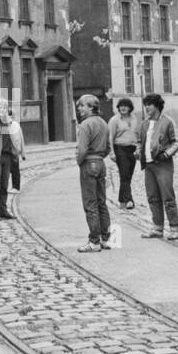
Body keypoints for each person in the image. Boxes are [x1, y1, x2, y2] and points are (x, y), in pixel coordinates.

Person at [134, 94, 178, 239]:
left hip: (163, 165)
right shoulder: (144, 124)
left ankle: (174, 228)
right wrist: (138, 150)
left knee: (167, 197)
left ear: (157, 106)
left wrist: (166, 154)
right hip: (148, 165)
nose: (147, 107)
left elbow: (177, 142)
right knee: (152, 197)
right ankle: (157, 227)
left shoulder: (168, 122)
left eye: (150, 104)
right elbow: (139, 142)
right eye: (145, 105)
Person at [74, 95, 112, 252]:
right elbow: (108, 147)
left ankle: (94, 241)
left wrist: (79, 160)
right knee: (102, 202)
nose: (79, 109)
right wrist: (99, 157)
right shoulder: (103, 122)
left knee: (90, 203)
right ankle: (105, 238)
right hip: (100, 163)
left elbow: (82, 149)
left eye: (82, 106)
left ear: (91, 107)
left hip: (89, 163)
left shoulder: (85, 125)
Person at [108, 98, 139, 210]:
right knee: (124, 174)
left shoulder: (135, 119)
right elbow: (110, 137)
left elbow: (137, 134)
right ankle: (129, 200)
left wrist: (138, 148)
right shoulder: (114, 120)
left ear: (130, 107)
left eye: (125, 105)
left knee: (128, 176)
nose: (123, 108)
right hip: (120, 148)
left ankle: (121, 201)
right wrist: (112, 152)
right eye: (121, 106)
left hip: (132, 149)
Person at [6, 113, 26, 192]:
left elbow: (20, 139)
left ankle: (16, 187)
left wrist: (22, 153)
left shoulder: (14, 125)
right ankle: (14, 187)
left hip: (13, 151)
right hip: (11, 151)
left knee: (14, 169)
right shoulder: (10, 125)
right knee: (12, 169)